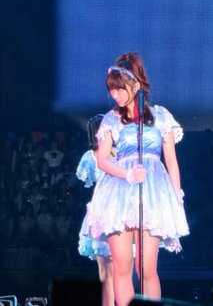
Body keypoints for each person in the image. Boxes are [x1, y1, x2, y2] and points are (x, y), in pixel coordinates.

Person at [80, 52, 189, 306]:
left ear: (136, 85)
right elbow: (102, 160)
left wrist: (177, 197)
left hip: (152, 192)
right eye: (112, 89)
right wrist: (126, 174)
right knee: (122, 266)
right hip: (119, 191)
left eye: (120, 88)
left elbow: (171, 161)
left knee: (146, 267)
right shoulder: (111, 119)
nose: (115, 94)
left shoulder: (161, 116)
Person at [76, 114, 114, 306]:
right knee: (106, 269)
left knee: (114, 269)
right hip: (103, 210)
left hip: (117, 209)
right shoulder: (91, 156)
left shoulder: (120, 152)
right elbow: (88, 181)